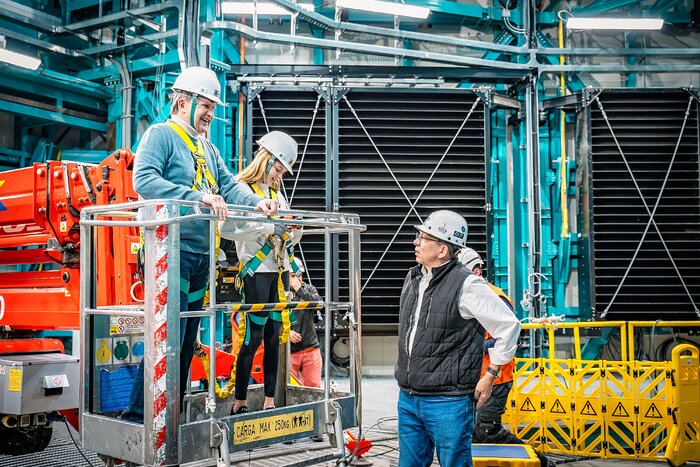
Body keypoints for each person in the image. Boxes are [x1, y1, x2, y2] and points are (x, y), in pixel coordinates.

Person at [122, 66, 278, 423]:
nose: (211, 113)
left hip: (202, 254)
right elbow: (143, 180)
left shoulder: (207, 147)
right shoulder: (160, 135)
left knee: (186, 340)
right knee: (167, 339)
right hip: (170, 252)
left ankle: (170, 417)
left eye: (213, 106)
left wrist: (256, 201)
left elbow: (226, 183)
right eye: (206, 105)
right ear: (182, 101)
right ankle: (139, 419)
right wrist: (196, 199)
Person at [395, 210, 521, 467]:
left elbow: (509, 327)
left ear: (443, 250)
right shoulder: (414, 278)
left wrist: (491, 374)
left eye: (423, 237)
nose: (416, 242)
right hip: (408, 397)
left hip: (448, 402)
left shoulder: (468, 285)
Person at [219, 130, 301, 415]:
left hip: (280, 270)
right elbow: (226, 229)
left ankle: (269, 401)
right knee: (252, 338)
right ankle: (239, 402)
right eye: (278, 168)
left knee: (275, 338)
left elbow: (288, 233)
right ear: (266, 161)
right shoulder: (243, 188)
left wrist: (293, 231)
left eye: (283, 171)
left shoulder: (278, 192)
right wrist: (267, 227)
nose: (280, 175)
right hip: (257, 271)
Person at [458, 248, 552, 467]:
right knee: (470, 434)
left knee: (487, 430)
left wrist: (473, 345)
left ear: (477, 270)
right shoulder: (466, 295)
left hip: (496, 378)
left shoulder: (495, 297)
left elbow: (509, 335)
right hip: (473, 378)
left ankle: (542, 463)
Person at [289, 257, 322, 389]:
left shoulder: (308, 289)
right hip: (288, 352)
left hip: (310, 349)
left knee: (313, 389)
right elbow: (270, 318)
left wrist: (300, 290)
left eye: (300, 275)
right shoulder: (278, 294)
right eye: (292, 276)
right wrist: (286, 333)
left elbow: (319, 304)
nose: (298, 279)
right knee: (288, 390)